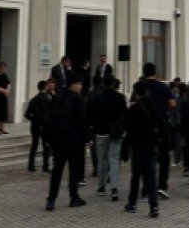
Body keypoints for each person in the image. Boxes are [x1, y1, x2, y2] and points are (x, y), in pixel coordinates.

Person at [45, 73, 88, 211]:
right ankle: (74, 197)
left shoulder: (57, 98)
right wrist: (86, 139)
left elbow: (50, 120)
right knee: (74, 171)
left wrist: (49, 139)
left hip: (59, 141)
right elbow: (82, 123)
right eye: (79, 84)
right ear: (73, 85)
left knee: (57, 170)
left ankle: (51, 199)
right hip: (74, 142)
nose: (81, 86)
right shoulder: (79, 100)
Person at [124, 80, 163, 218]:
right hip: (151, 145)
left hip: (137, 146)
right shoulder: (154, 105)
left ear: (135, 92)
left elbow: (128, 128)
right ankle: (154, 206)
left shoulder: (133, 108)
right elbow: (161, 123)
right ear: (147, 91)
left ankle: (132, 203)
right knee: (151, 177)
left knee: (136, 175)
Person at [89, 73, 127, 201]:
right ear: (113, 83)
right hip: (116, 132)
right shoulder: (120, 97)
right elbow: (125, 115)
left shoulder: (97, 97)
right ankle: (114, 188)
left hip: (101, 132)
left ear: (102, 83)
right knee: (114, 159)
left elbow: (91, 116)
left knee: (102, 160)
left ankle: (101, 187)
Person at [141, 62, 175, 199]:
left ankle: (146, 187)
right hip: (161, 126)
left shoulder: (141, 87)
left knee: (145, 158)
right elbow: (172, 104)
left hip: (144, 127)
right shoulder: (163, 87)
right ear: (155, 72)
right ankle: (162, 185)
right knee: (164, 158)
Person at [25, 80, 53, 173]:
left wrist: (34, 120)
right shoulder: (48, 98)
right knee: (46, 147)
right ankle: (45, 166)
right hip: (45, 126)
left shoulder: (34, 99)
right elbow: (50, 112)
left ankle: (31, 165)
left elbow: (27, 114)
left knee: (34, 146)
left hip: (35, 126)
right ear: (45, 87)